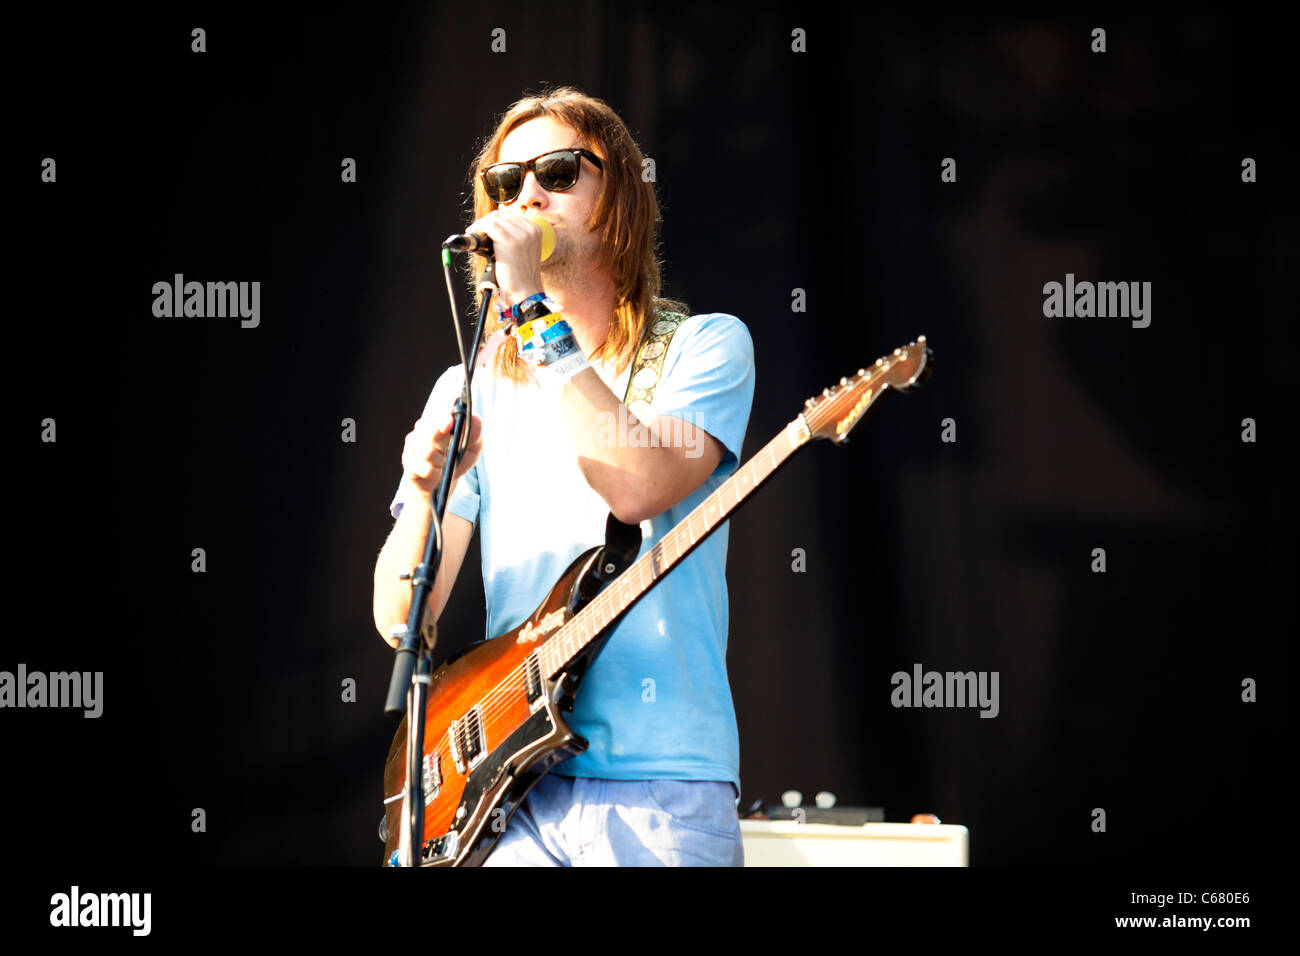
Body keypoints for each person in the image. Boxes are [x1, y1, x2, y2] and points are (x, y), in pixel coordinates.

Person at [372, 87, 755, 866]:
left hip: (659, 786)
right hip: (507, 784)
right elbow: (402, 614)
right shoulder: (469, 384)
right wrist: (422, 491)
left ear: (617, 195)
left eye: (554, 171)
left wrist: (532, 312)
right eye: (506, 183)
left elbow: (637, 486)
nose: (527, 196)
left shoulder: (705, 348)